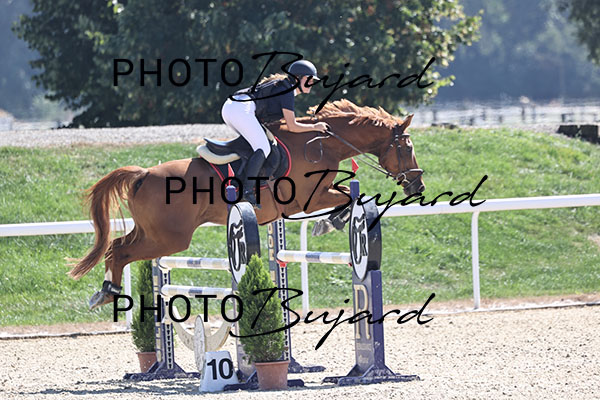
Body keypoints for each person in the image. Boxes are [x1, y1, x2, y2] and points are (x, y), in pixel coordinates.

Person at [221, 60, 329, 208]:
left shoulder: (284, 87)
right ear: (297, 78)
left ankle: (237, 182)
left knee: (256, 146)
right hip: (240, 110)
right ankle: (247, 191)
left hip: (232, 108)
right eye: (309, 79)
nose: (311, 83)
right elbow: (292, 126)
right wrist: (315, 127)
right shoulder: (287, 91)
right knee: (263, 148)